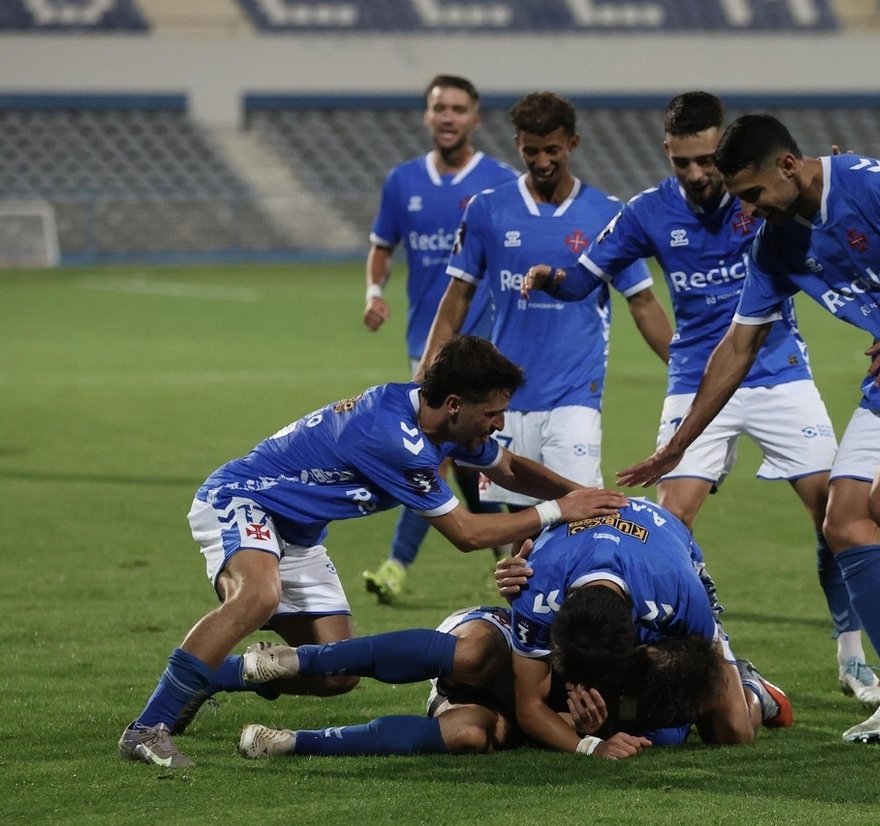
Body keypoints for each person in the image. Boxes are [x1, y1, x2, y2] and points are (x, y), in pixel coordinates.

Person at [618, 114, 880, 744]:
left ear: (788, 166)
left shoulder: (873, 184)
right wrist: (677, 445)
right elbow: (737, 347)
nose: (750, 211)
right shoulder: (775, 243)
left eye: (754, 195)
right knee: (842, 522)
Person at [523, 91, 880, 707]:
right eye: (683, 162)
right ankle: (657, 655)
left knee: (836, 519)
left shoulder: (759, 192)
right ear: (667, 152)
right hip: (695, 379)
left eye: (706, 161)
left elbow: (825, 204)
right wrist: (553, 280)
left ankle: (852, 658)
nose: (697, 175)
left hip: (779, 372)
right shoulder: (646, 213)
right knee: (668, 523)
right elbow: (586, 277)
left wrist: (835, 178)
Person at [118, 335, 627, 768]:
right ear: (454, 404)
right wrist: (562, 509)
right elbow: (467, 535)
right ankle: (147, 729)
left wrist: (592, 500)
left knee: (335, 673)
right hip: (244, 499)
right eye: (491, 414)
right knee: (257, 596)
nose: (496, 424)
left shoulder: (437, 421)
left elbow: (510, 469)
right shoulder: (395, 439)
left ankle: (213, 676)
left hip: (299, 532)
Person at [421, 91, 673, 512]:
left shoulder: (607, 213)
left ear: (572, 143)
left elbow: (643, 301)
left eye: (552, 150)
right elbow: (457, 297)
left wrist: (687, 371)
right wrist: (428, 369)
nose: (541, 161)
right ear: (517, 143)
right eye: (530, 150)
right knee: (525, 519)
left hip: (576, 393)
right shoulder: (487, 210)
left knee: (580, 508)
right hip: (503, 398)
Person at [360, 74, 519, 605]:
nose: (448, 117)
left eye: (458, 108)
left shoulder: (500, 182)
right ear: (427, 116)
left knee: (441, 458)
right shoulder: (402, 181)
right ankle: (511, 560)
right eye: (439, 108)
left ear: (475, 118)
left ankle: (397, 566)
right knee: (463, 462)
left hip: (488, 352)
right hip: (427, 349)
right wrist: (373, 290)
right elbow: (382, 245)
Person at [498, 498, 793, 759]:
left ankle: (752, 686)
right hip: (608, 561)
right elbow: (529, 707)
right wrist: (591, 745)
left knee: (732, 733)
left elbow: (703, 665)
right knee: (657, 735)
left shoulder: (680, 590)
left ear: (639, 639)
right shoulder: (534, 587)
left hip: (663, 562)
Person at [234, 604, 723, 759]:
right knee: (471, 654)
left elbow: (635, 731)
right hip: (507, 646)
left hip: (512, 708)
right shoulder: (637, 619)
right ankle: (304, 659)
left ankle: (293, 743)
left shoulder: (662, 714)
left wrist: (586, 730)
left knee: (468, 734)